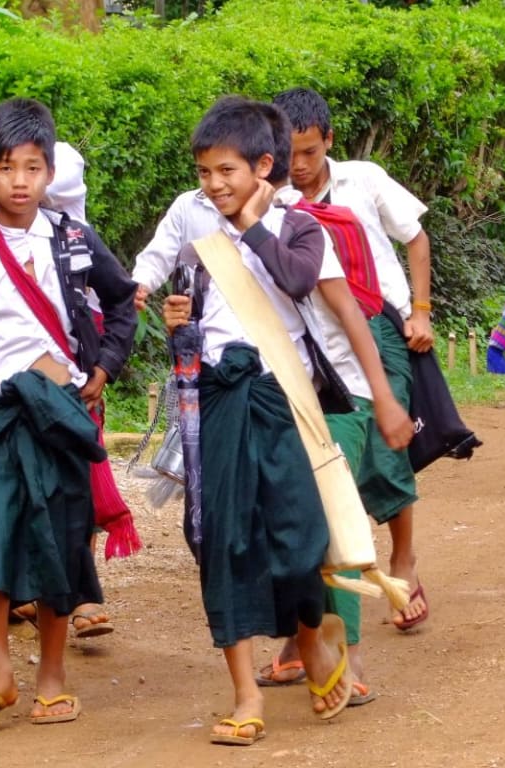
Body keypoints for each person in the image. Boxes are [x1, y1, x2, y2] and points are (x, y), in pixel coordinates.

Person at [0, 98, 140, 728]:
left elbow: (123, 304)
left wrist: (103, 369)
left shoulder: (72, 240)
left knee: (60, 541)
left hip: (59, 413)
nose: (19, 181)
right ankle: (0, 674)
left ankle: (52, 678)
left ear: (49, 174)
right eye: (6, 167)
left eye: (32, 168)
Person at [160, 98, 359, 745]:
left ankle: (314, 636)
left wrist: (251, 225)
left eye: (226, 172)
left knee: (299, 534)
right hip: (217, 402)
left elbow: (298, 281)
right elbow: (192, 337)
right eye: (205, 173)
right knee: (224, 540)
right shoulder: (199, 241)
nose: (214, 185)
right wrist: (176, 331)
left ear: (262, 168)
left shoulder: (299, 226)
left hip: (281, 399)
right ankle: (245, 694)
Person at [246, 96, 418, 704]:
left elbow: (350, 313)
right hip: (264, 397)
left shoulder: (309, 223)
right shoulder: (213, 221)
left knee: (334, 518)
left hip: (335, 396)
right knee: (282, 523)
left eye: (305, 152)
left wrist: (383, 397)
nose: (296, 164)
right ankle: (305, 639)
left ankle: (350, 656)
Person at [272, 87, 435, 633]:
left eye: (310, 152)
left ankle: (403, 560)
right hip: (306, 341)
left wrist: (420, 311)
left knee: (385, 450)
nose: (298, 166)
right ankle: (313, 622)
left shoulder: (363, 179)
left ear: (329, 142)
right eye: (288, 153)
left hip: (378, 328)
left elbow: (415, 238)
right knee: (323, 466)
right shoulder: (268, 200)